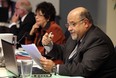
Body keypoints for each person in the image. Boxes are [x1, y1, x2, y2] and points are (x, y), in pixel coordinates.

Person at [40, 7, 116, 78]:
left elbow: (85, 68)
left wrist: (54, 68)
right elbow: (65, 52)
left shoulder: (98, 40)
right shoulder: (77, 35)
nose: (69, 29)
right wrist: (49, 45)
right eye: (68, 25)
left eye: (73, 24)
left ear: (86, 23)